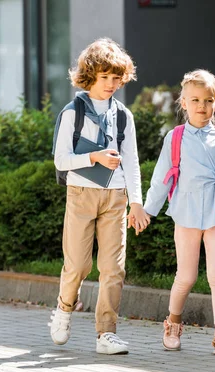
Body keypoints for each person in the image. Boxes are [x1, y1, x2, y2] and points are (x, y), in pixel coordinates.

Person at [50, 38, 150, 354]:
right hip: (81, 193)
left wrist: (137, 201)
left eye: (115, 78)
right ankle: (64, 308)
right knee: (78, 266)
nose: (111, 84)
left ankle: (106, 333)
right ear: (90, 75)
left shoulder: (123, 116)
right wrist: (93, 158)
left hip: (116, 197)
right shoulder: (72, 113)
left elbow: (131, 160)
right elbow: (60, 160)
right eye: (104, 77)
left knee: (113, 269)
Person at [144, 69, 215, 355]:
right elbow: (161, 178)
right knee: (186, 276)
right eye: (195, 100)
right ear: (184, 103)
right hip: (187, 214)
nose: (202, 106)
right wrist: (147, 211)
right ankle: (173, 323)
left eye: (208, 100)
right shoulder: (175, 138)